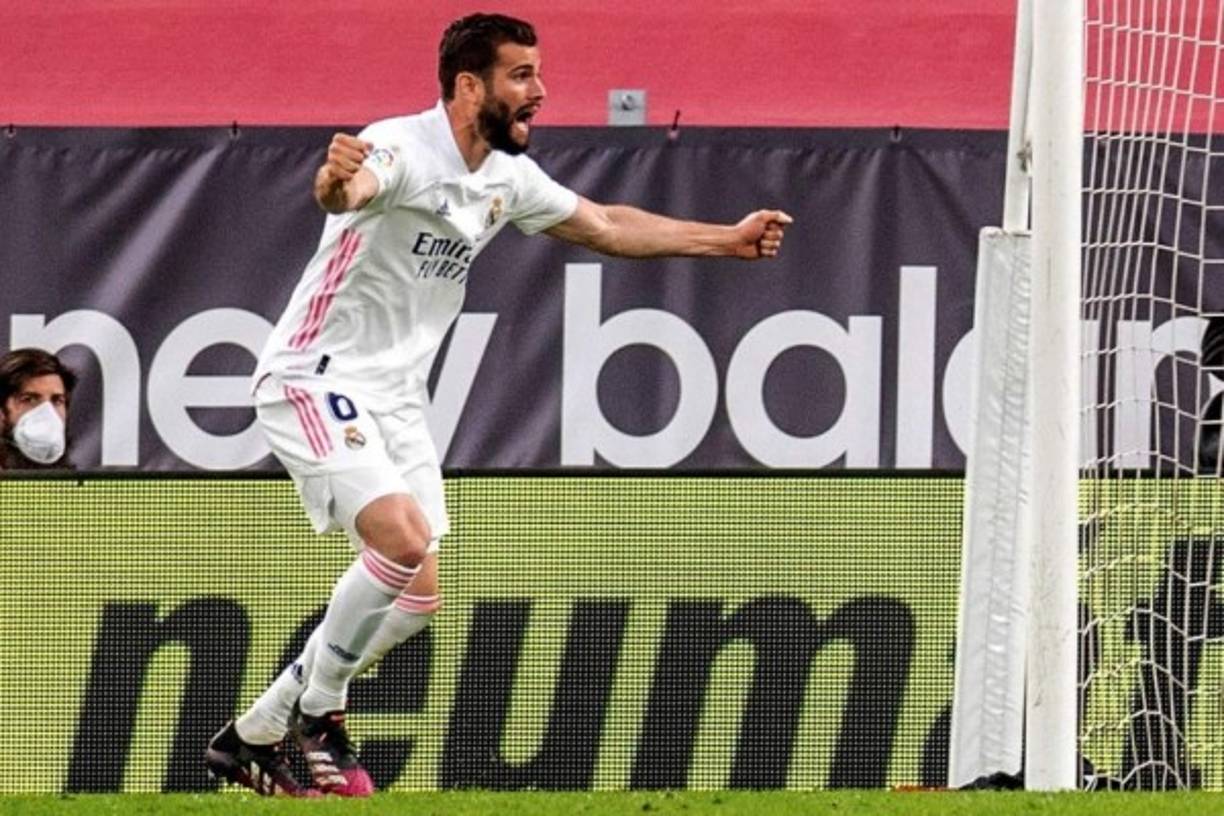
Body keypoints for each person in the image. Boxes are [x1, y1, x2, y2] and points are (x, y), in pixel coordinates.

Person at [205, 12, 792, 798]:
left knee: (417, 597)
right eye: (522, 76)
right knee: (401, 539)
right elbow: (351, 186)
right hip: (315, 374)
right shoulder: (405, 149)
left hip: (396, 396)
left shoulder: (505, 178)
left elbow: (609, 226)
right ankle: (318, 714)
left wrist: (728, 240)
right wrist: (334, 180)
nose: (540, 92)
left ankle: (251, 735)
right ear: (468, 86)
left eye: (538, 76)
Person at [0, 347, 76, 470]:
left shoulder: (75, 487)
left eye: (57, 401)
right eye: (29, 399)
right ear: (2, 411)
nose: (47, 413)